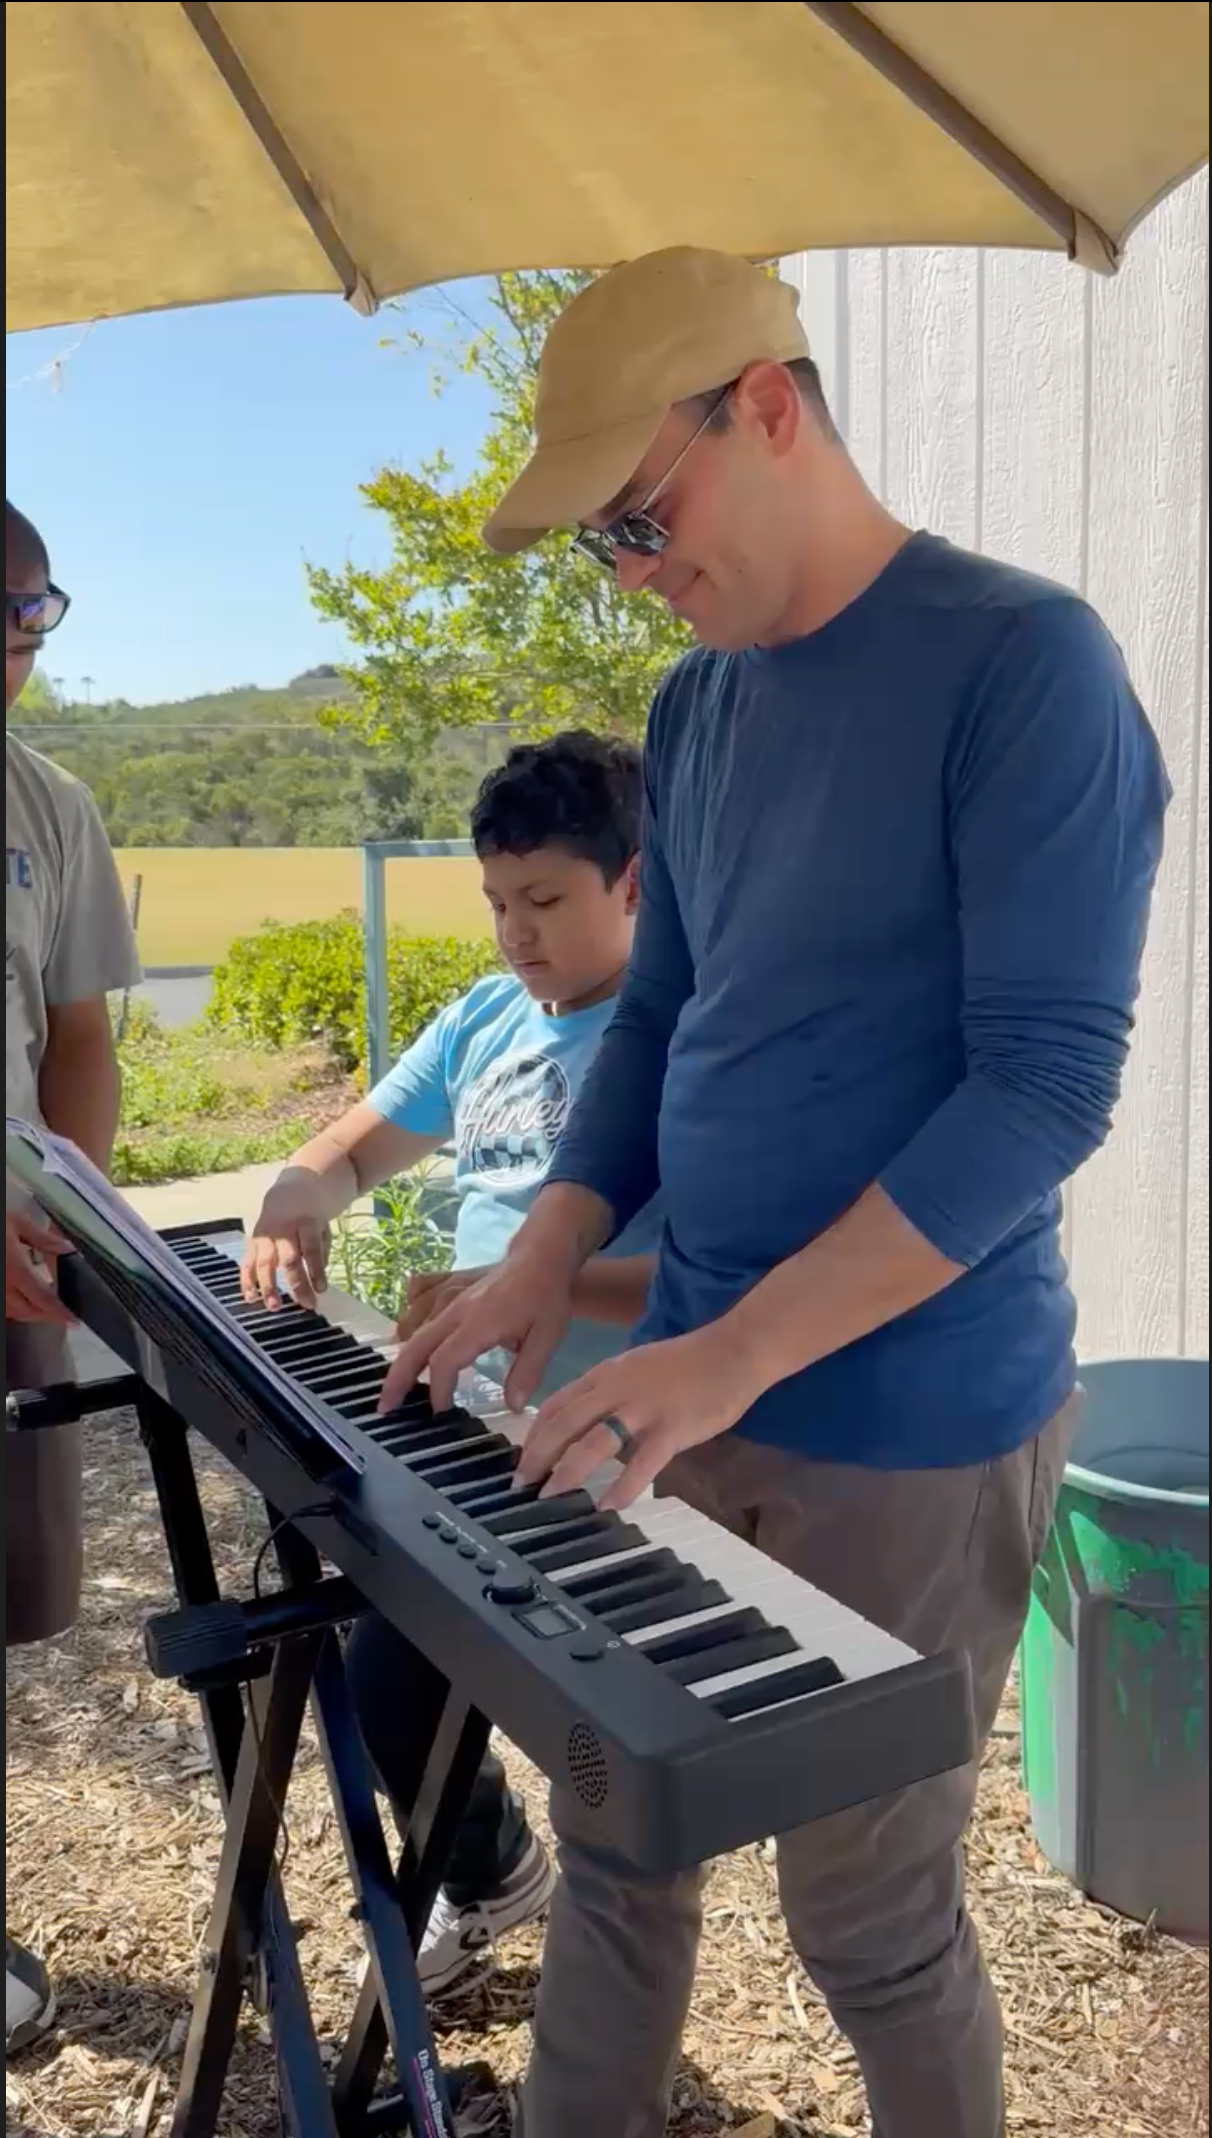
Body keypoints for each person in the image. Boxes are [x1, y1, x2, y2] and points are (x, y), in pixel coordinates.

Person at [384, 249, 1172, 2138]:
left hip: (906, 1416)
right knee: (618, 1846)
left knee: (868, 1917)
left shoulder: (1022, 660)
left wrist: (727, 1351)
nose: (639, 573)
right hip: (680, 1383)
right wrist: (554, 1248)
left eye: (643, 518)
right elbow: (661, 1016)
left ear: (770, 404)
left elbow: (1044, 1087)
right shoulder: (699, 712)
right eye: (605, 549)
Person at [241, 730, 660, 1994]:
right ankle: (488, 1871)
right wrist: (292, 1192)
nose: (514, 933)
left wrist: (530, 1281)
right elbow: (355, 1148)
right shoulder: (487, 1013)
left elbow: (707, 1276)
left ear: (633, 882)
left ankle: (562, 1915)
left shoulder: (670, 1037)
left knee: (462, 1690)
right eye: (495, 903)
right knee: (377, 1674)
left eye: (544, 901)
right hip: (468, 1415)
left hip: (602, 1437)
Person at [6, 500, 142, 2055]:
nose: (15, 644)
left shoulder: (53, 805)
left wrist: (65, 1213)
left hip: (16, 1278)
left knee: (10, 1598)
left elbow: (80, 1045)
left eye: (36, 611)